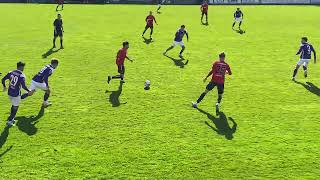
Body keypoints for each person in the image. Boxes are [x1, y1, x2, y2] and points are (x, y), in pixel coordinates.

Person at [1, 61, 33, 126]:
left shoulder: (11, 72)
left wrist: (4, 86)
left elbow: (3, 79)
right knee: (15, 107)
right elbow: (23, 86)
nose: (24, 68)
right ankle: (9, 121)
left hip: (9, 93)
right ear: (21, 67)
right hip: (16, 94)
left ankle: (11, 118)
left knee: (13, 105)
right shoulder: (22, 75)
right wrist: (29, 90)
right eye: (23, 67)